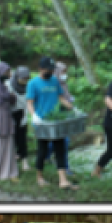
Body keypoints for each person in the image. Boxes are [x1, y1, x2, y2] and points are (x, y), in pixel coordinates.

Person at [27, 56, 79, 190]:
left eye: (52, 69)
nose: (50, 71)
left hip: (56, 121)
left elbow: (61, 98)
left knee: (60, 149)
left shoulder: (55, 81)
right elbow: (30, 103)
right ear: (40, 69)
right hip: (42, 122)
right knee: (42, 150)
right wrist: (34, 116)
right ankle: (39, 178)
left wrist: (73, 108)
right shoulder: (33, 83)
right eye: (48, 69)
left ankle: (63, 181)